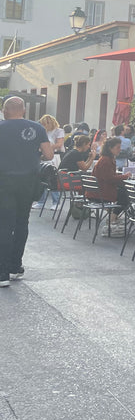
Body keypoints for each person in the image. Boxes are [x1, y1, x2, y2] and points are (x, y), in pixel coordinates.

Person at [0, 96, 54, 286]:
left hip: (4, 181)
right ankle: (16, 266)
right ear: (23, 110)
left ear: (5, 111)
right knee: (22, 222)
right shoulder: (36, 128)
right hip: (28, 181)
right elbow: (49, 155)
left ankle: (2, 273)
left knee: (5, 224)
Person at [91, 137, 131, 236]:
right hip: (100, 193)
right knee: (126, 196)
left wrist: (119, 176)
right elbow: (109, 178)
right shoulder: (106, 160)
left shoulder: (105, 159)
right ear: (110, 148)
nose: (120, 149)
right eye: (118, 147)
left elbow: (108, 176)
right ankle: (112, 218)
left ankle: (113, 216)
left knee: (123, 193)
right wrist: (124, 176)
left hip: (97, 190)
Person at [32, 114, 63, 209]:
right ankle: (41, 201)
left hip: (55, 156)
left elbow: (59, 144)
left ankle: (56, 202)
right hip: (43, 155)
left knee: (53, 179)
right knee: (42, 178)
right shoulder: (42, 131)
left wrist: (46, 147)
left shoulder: (59, 131)